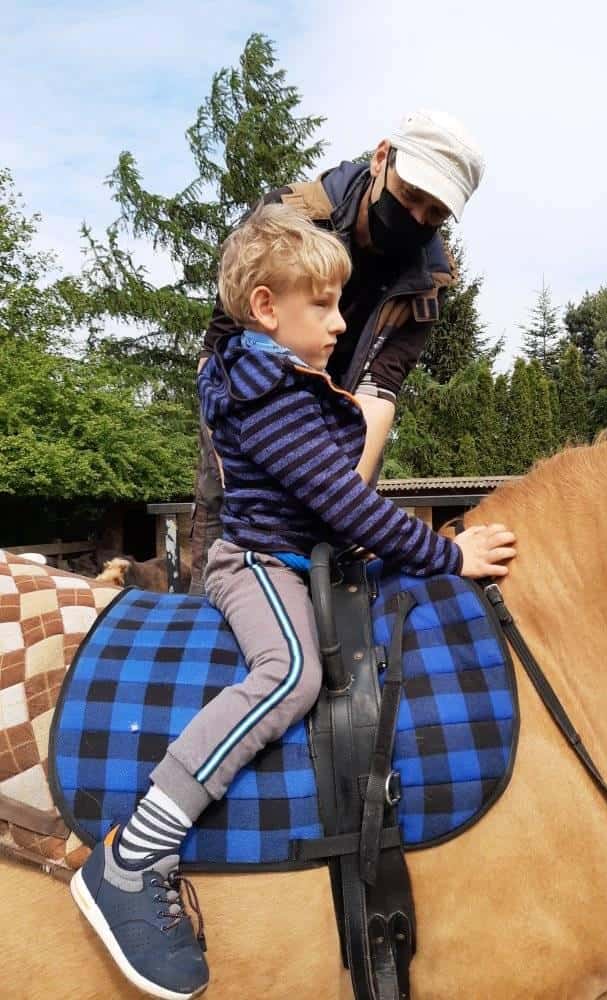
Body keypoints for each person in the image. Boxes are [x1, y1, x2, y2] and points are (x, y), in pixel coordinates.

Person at [70, 204, 516, 1000]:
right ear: (267, 308)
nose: (342, 322)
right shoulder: (261, 388)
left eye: (343, 304)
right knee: (289, 675)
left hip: (297, 555)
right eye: (324, 305)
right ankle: (136, 853)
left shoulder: (277, 377)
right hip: (256, 566)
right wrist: (448, 553)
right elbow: (343, 503)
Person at [190, 108, 486, 594]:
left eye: (435, 213)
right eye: (411, 196)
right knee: (227, 548)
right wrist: (232, 456)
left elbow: (379, 386)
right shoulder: (287, 218)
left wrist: (340, 498)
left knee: (344, 558)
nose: (416, 219)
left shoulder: (431, 282)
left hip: (341, 421)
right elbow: (219, 347)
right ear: (381, 158)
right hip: (253, 405)